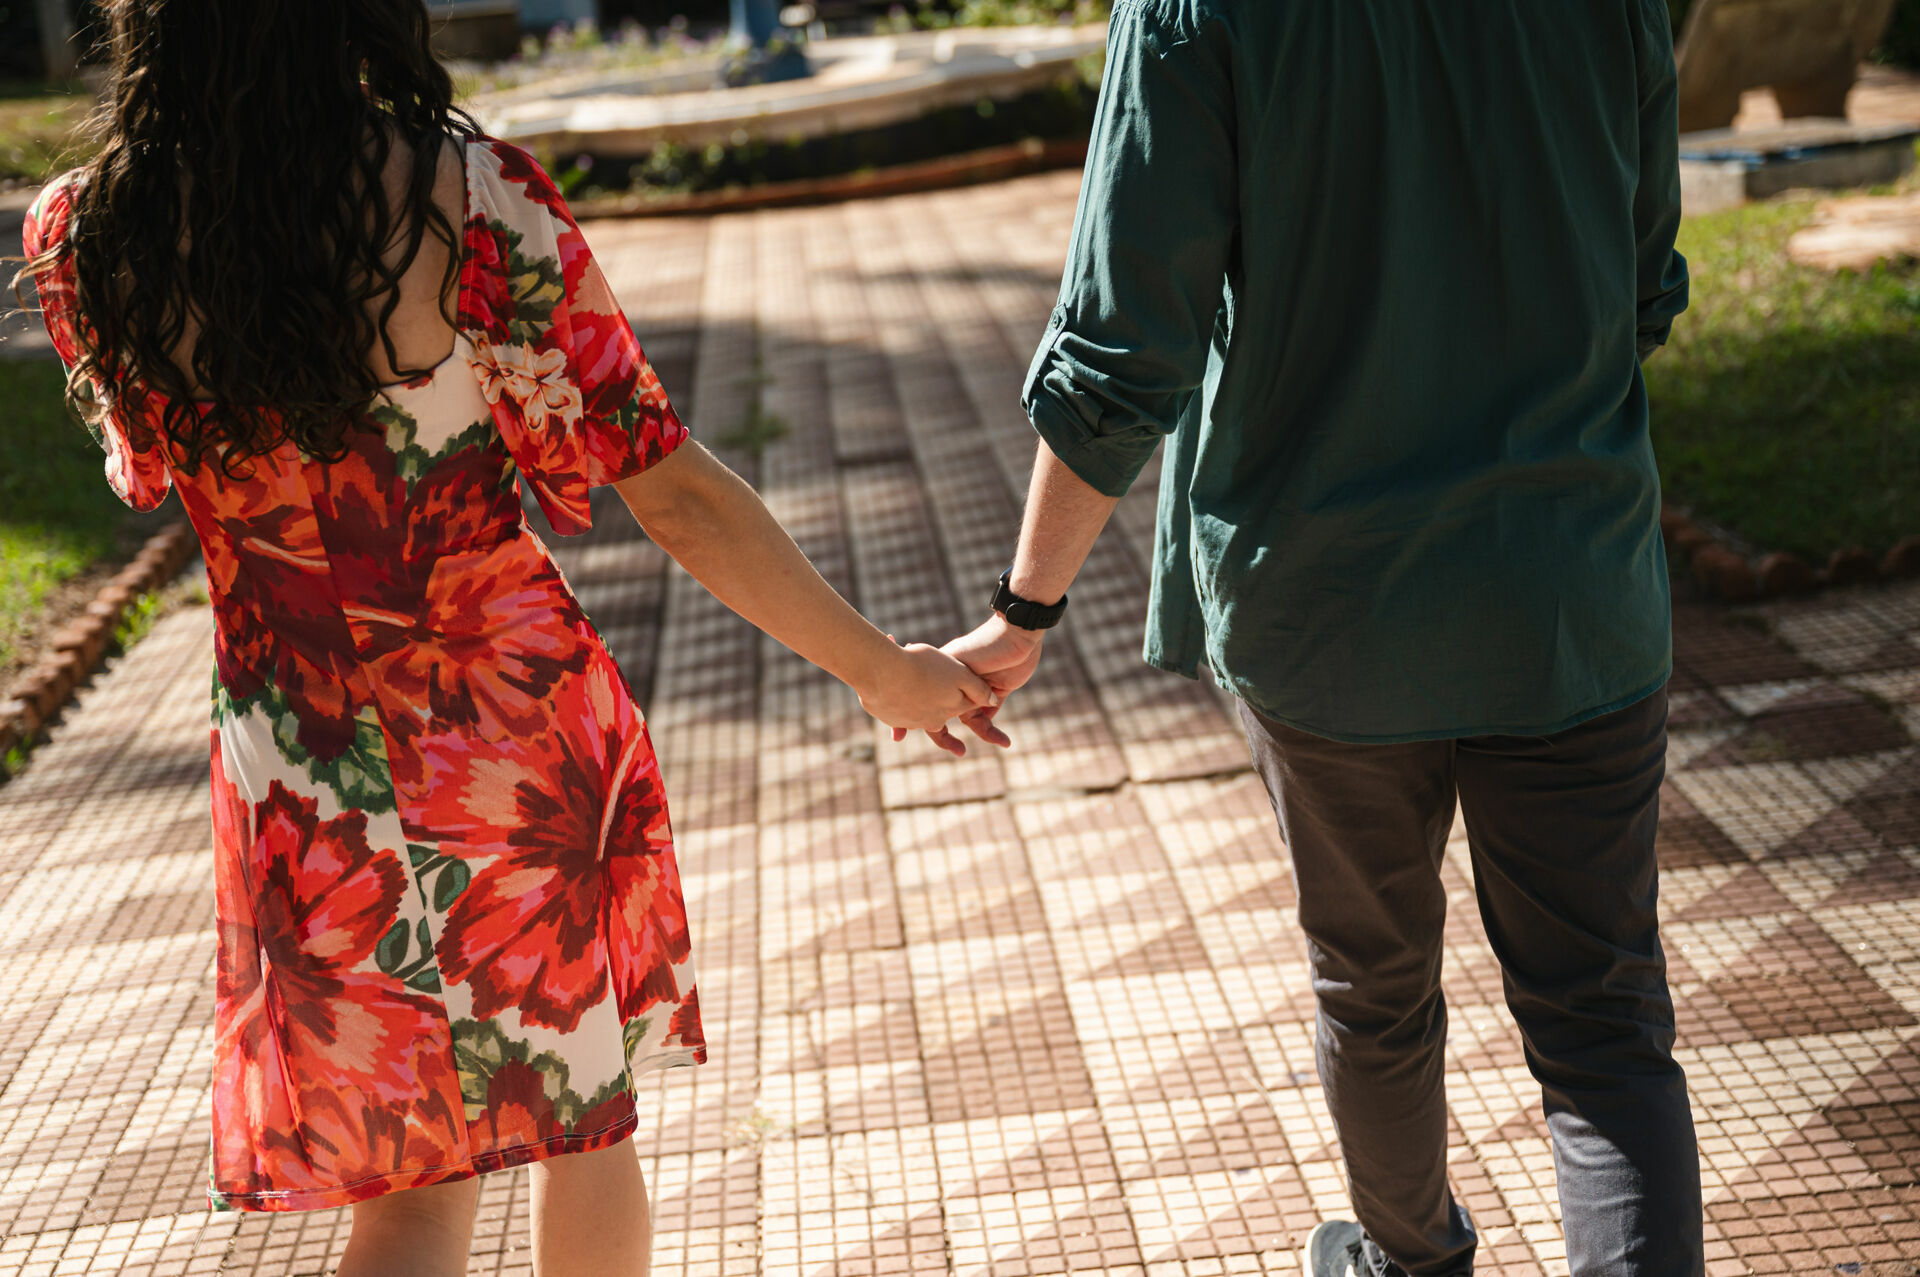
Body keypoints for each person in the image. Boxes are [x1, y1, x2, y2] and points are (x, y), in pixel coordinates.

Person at [16, 2, 994, 1274]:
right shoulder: (467, 199)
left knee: (410, 1198)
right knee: (579, 1132)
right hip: (508, 739)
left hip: (301, 779)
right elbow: (672, 490)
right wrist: (882, 668)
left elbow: (149, 468)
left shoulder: (87, 237)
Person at [940, 2, 1704, 1275]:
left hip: (1329, 609)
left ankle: (1409, 1259)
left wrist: (1027, 609)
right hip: (1570, 590)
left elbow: (1125, 346)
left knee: (1374, 989)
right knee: (1605, 1026)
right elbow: (1642, 283)